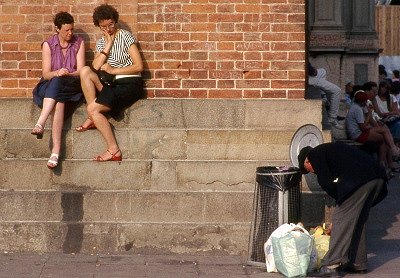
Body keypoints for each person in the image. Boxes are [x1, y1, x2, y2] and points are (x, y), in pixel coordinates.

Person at [298, 143, 388, 276]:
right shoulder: (330, 150)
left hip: (359, 180)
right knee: (357, 221)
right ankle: (358, 263)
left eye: (307, 169)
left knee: (340, 219)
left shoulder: (315, 155)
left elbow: (326, 183)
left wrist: (340, 203)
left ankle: (331, 264)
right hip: (377, 177)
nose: (311, 171)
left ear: (307, 160)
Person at [77, 4, 144, 161]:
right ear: (99, 26)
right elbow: (95, 67)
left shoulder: (126, 36)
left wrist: (114, 70)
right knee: (85, 71)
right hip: (110, 85)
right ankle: (93, 113)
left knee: (93, 109)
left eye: (111, 24)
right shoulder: (101, 43)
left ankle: (114, 150)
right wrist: (107, 45)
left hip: (129, 83)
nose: (108, 29)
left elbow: (138, 66)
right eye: (104, 26)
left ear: (115, 21)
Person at [31, 12, 85, 169]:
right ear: (57, 29)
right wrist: (57, 72)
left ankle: (40, 123)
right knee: (59, 100)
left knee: (60, 82)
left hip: (72, 84)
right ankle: (55, 151)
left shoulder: (78, 43)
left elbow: (81, 70)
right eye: (66, 30)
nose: (70, 33)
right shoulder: (48, 45)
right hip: (49, 85)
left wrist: (67, 73)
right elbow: (46, 74)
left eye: (72, 29)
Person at [345, 90, 400, 171]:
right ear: (361, 101)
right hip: (357, 135)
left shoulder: (360, 106)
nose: (366, 102)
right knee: (382, 138)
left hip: (361, 131)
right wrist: (369, 116)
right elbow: (363, 127)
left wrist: (371, 119)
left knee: (384, 130)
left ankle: (391, 155)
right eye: (365, 101)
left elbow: (368, 120)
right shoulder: (357, 109)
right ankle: (386, 161)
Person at [308, 63, 342, 129]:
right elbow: (312, 72)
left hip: (307, 75)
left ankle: (324, 96)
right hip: (306, 78)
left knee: (322, 71)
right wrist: (313, 70)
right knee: (337, 90)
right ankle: (332, 118)